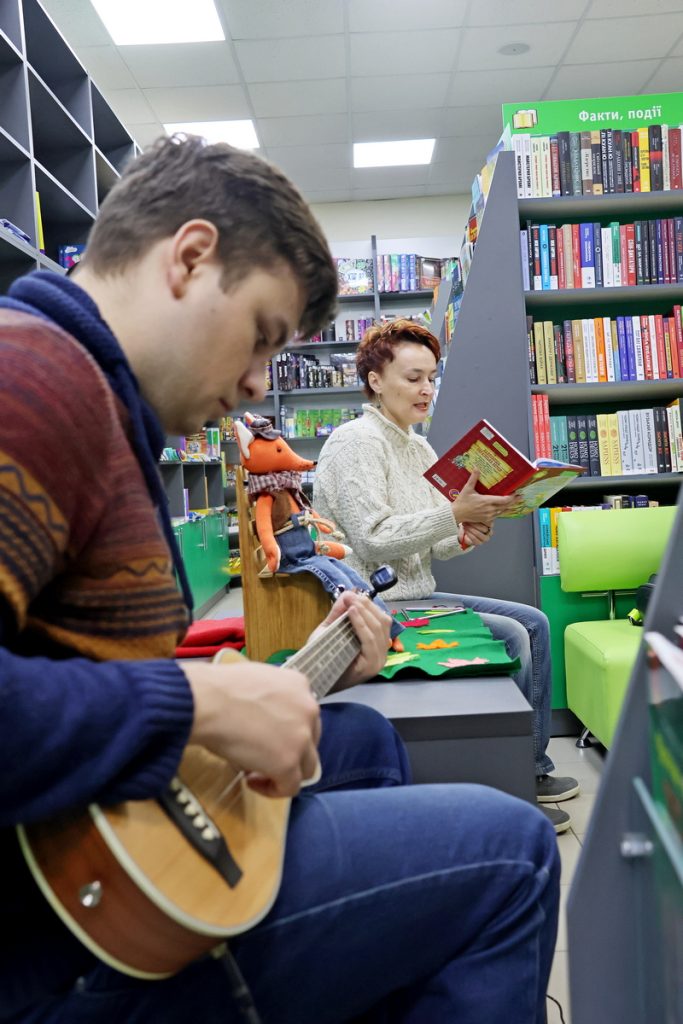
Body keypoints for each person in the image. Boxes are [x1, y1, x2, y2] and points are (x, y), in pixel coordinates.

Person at [0, 135, 559, 1024]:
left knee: (361, 743)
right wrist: (196, 704)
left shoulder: (99, 405)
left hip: (98, 833)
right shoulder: (33, 383)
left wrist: (306, 668)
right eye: (261, 337)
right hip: (59, 941)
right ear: (189, 257)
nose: (260, 385)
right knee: (513, 854)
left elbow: (79, 660)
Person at [313, 318, 580, 835]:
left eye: (432, 378)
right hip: (374, 604)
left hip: (418, 594)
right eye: (413, 378)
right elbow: (373, 538)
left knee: (534, 623)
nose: (426, 389)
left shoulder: (419, 447)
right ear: (375, 381)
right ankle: (516, 782)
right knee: (514, 634)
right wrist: (453, 515)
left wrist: (464, 533)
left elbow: (432, 542)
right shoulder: (355, 442)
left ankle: (530, 765)